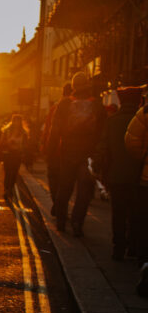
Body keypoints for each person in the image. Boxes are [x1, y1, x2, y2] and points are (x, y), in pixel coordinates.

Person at [47, 72, 106, 236]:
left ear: (73, 86)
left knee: (64, 187)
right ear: (87, 85)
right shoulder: (97, 105)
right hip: (87, 154)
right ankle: (77, 221)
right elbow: (102, 133)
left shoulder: (64, 104)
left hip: (67, 152)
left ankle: (60, 219)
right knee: (84, 190)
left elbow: (55, 130)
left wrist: (51, 152)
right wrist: (98, 154)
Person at [95, 87, 143, 260]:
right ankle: (134, 246)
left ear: (121, 102)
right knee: (137, 213)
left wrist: (98, 169)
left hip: (116, 176)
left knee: (119, 213)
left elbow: (103, 148)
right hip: (139, 178)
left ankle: (118, 247)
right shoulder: (143, 122)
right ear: (138, 101)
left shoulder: (112, 122)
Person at [124, 89, 148, 296]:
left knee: (142, 220)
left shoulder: (145, 112)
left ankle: (144, 261)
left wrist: (143, 157)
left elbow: (131, 141)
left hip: (146, 180)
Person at [41, 82, 73, 214]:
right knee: (66, 183)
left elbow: (49, 129)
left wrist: (46, 147)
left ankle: (57, 203)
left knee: (54, 180)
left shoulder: (55, 108)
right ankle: (62, 207)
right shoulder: (78, 108)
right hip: (71, 153)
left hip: (56, 152)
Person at [0, 114, 29, 200]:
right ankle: (6, 189)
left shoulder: (24, 133)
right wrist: (1, 148)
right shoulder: (7, 131)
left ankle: (11, 188)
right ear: (12, 122)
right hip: (8, 154)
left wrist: (22, 150)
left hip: (17, 155)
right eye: (15, 121)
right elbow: (1, 142)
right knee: (7, 172)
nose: (16, 123)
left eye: (18, 121)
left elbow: (25, 145)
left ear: (20, 122)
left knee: (14, 173)